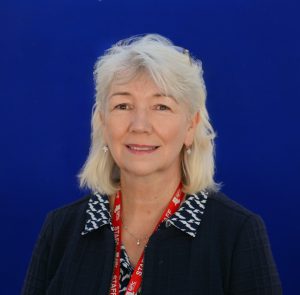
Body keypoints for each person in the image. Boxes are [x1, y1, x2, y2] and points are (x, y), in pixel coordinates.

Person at [22, 34, 282, 295]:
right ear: (102, 122)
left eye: (161, 106)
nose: (140, 125)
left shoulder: (236, 233)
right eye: (123, 105)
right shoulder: (61, 229)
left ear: (190, 126)